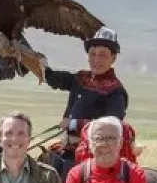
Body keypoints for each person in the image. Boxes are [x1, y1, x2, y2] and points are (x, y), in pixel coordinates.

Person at [43, 27, 130, 163]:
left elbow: (110, 127)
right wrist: (34, 62)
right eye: (92, 54)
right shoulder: (81, 79)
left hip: (91, 156)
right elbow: (53, 78)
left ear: (113, 58)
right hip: (67, 147)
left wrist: (72, 124)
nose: (96, 59)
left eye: (102, 55)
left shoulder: (115, 93)